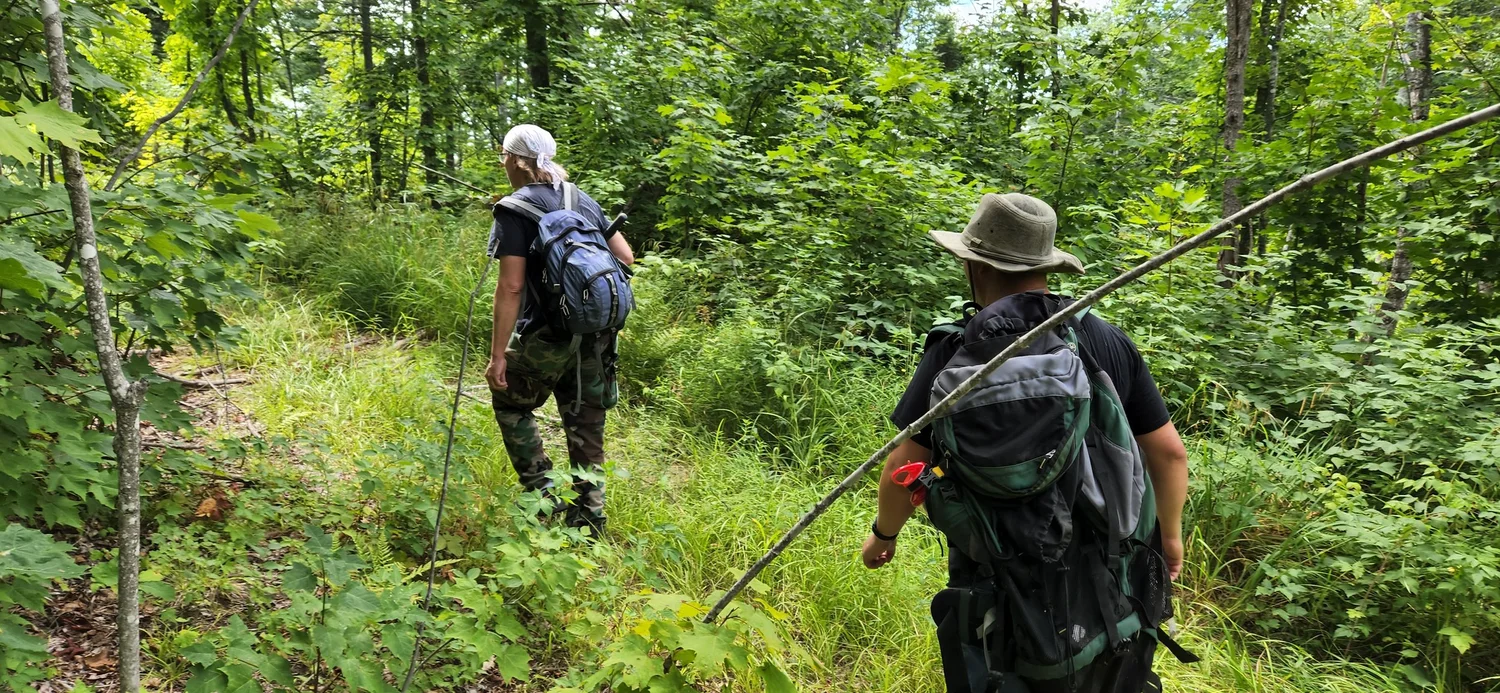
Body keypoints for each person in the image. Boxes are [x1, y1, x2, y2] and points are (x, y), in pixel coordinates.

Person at [860, 193, 1190, 692]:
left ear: (975, 265)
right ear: (1046, 267)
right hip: (1111, 574)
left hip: (1000, 576)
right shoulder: (1105, 342)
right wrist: (1169, 536)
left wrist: (883, 536)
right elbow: (1168, 453)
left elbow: (904, 465)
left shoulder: (959, 351)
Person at [484, 124, 634, 533]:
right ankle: (589, 520)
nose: (503, 163)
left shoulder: (513, 208)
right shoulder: (580, 198)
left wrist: (498, 356)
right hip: (595, 335)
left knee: (511, 402)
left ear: (515, 160)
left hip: (545, 335)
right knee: (586, 419)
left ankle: (542, 493)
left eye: (503, 156)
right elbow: (626, 256)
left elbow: (512, 286)